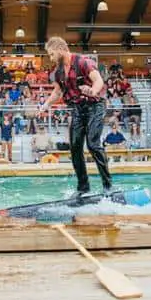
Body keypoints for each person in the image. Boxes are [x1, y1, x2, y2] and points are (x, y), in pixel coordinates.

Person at [39, 36, 113, 196]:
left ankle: (108, 186)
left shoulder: (83, 62)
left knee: (93, 144)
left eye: (51, 54)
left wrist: (93, 90)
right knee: (75, 147)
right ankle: (83, 187)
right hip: (78, 109)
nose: (51, 58)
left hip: (95, 106)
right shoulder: (56, 73)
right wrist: (45, 105)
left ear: (60, 50)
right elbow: (57, 92)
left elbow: (98, 80)